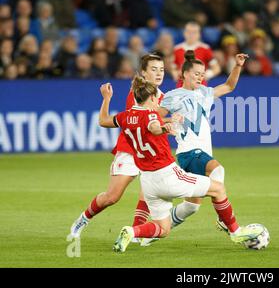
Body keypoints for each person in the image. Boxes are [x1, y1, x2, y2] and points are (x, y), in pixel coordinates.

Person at [97, 76, 263, 252]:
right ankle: (236, 231)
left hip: (147, 182)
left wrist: (106, 99)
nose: (158, 102)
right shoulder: (151, 114)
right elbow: (153, 127)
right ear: (152, 98)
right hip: (167, 175)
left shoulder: (125, 116)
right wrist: (164, 128)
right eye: (157, 99)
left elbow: (103, 121)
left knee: (163, 228)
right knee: (218, 189)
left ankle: (131, 231)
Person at [136, 50, 248, 246]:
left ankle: (154, 232)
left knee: (191, 207)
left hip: (200, 153)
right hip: (189, 152)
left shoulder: (205, 92)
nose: (200, 77)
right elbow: (153, 116)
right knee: (218, 170)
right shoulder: (173, 96)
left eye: (202, 74)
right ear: (185, 74)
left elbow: (229, 86)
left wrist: (237, 66)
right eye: (196, 73)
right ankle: (226, 221)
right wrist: (169, 121)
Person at [69, 53, 167, 240]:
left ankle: (136, 233)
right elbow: (142, 120)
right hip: (130, 150)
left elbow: (158, 121)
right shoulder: (136, 94)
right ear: (144, 73)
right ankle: (83, 219)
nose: (159, 73)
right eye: (153, 69)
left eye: (161, 69)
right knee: (112, 197)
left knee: (149, 191)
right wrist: (168, 123)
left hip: (150, 154)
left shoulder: (163, 97)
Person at [173, 22, 221, 86]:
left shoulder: (205, 49)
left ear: (199, 34)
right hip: (182, 86)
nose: (191, 35)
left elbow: (216, 68)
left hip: (200, 86)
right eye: (189, 32)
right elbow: (173, 67)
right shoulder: (177, 49)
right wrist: (175, 73)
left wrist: (207, 74)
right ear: (184, 33)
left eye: (194, 32)